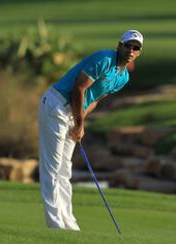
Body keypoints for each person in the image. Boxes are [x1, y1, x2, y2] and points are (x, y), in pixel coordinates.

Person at [38, 30, 144, 230]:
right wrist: (79, 125)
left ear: (138, 52)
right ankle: (54, 223)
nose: (131, 50)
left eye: (136, 48)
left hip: (72, 113)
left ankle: (69, 222)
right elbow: (79, 88)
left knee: (64, 169)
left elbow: (94, 99)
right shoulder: (104, 59)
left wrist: (80, 121)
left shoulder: (123, 78)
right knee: (51, 168)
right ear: (119, 45)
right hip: (56, 104)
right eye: (128, 45)